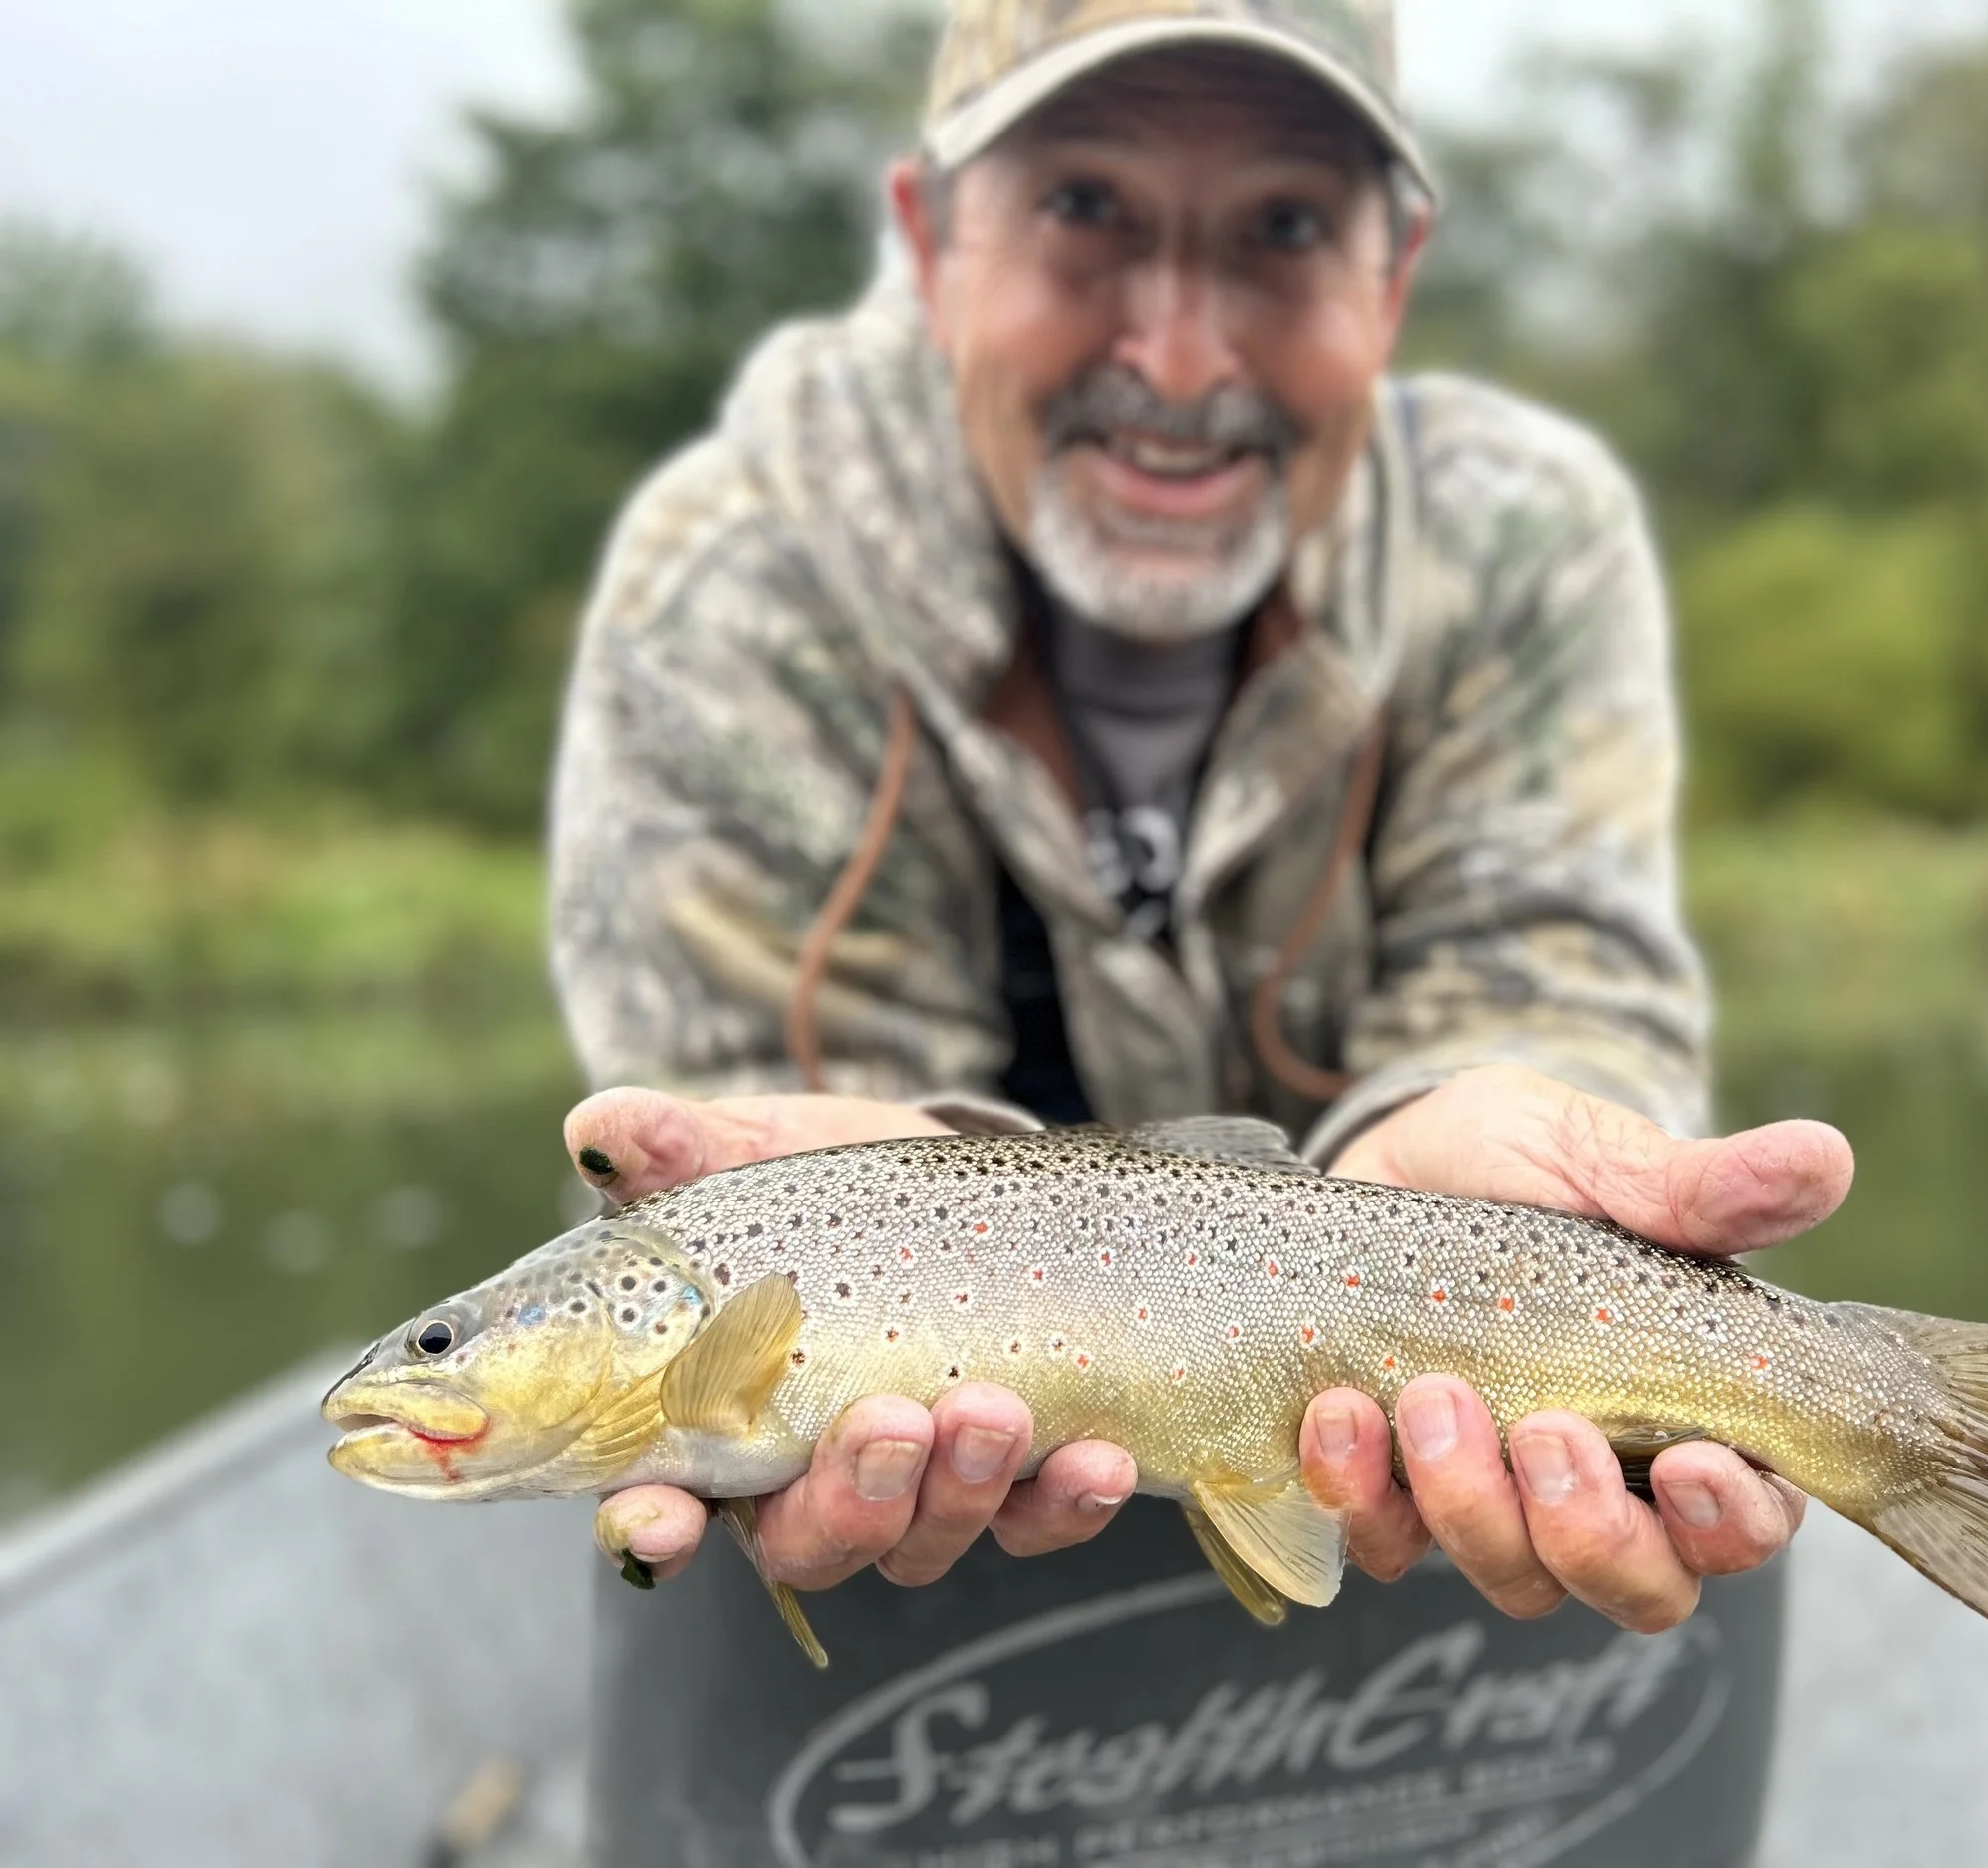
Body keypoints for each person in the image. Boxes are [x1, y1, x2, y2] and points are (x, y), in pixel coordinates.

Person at [549, 4, 1852, 1861]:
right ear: (927, 246)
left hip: (1415, 1447)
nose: (1176, 351)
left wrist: (1535, 1152)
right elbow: (768, 1136)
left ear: (1397, 277)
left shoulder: (1523, 538)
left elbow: (1555, 982)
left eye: (1284, 231)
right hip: (936, 1540)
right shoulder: (734, 589)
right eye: (1085, 206)